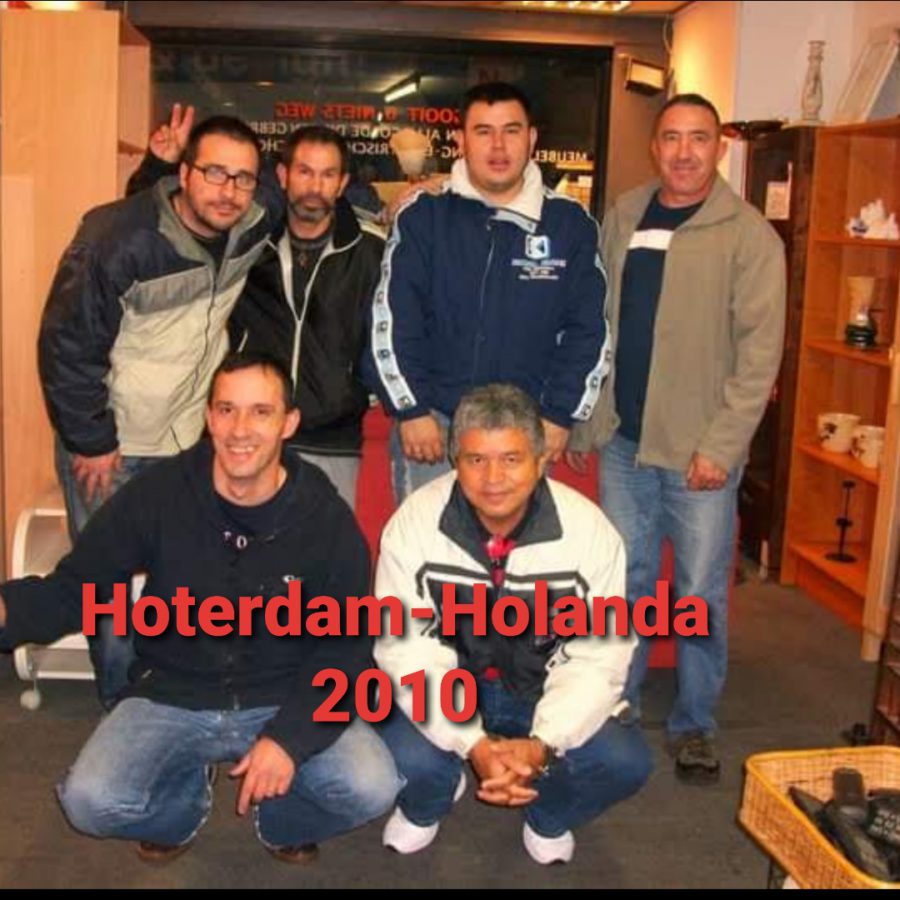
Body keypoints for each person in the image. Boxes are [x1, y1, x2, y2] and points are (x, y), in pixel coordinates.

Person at [0, 353, 400, 864]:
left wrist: (290, 741)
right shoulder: (160, 494)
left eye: (260, 412)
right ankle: (184, 805)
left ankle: (279, 818)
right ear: (209, 418)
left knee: (372, 785)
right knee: (88, 803)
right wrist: (7, 610)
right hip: (171, 692)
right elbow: (77, 588)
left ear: (288, 423)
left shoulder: (324, 517)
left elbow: (346, 648)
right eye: (227, 410)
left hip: (282, 693)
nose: (240, 429)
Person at [568, 93, 786, 785]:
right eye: (671, 138)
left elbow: (760, 358)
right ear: (654, 146)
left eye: (699, 138)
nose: (684, 152)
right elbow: (599, 322)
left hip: (699, 452)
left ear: (719, 147)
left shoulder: (749, 236)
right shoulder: (625, 214)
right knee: (624, 582)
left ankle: (694, 722)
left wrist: (723, 446)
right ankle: (619, 704)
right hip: (625, 444)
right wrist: (589, 420)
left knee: (697, 592)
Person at [38, 108, 283, 704]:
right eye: (215, 173)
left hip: (190, 441)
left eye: (243, 178)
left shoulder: (254, 218)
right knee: (110, 590)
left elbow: (308, 190)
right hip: (115, 445)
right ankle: (124, 710)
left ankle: (174, 701)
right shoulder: (113, 242)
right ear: (185, 173)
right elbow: (67, 345)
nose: (229, 191)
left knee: (186, 581)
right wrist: (92, 441)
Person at [373, 383, 651, 865]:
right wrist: (470, 742)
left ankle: (547, 816)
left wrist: (544, 744)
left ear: (541, 461)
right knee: (392, 746)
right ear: (455, 461)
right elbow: (407, 649)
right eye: (476, 460)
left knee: (623, 760)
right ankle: (429, 799)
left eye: (511, 459)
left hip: (540, 691)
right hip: (456, 687)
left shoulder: (590, 532)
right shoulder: (413, 523)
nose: (493, 478)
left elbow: (598, 657)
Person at [366, 82, 609, 502]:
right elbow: (392, 317)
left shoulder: (570, 225)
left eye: (511, 131)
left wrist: (560, 415)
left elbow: (589, 330)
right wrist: (410, 409)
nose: (498, 146)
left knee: (516, 546)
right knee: (429, 544)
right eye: (483, 131)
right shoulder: (423, 218)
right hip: (435, 428)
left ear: (532, 139)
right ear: (460, 141)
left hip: (526, 433)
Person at [229, 126, 384, 508]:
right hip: (252, 433)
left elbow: (389, 333)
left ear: (343, 183)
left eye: (327, 174)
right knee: (243, 541)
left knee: (322, 543)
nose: (315, 186)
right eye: (304, 172)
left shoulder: (371, 250)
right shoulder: (249, 243)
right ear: (283, 175)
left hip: (335, 439)